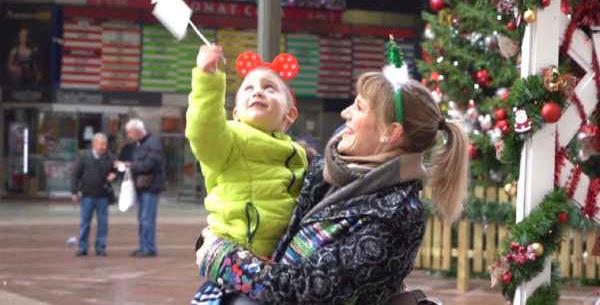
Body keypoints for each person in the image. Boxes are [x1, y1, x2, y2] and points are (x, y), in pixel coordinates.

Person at [193, 63, 469, 304]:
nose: (345, 113)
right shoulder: (325, 173)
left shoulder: (397, 214)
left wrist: (222, 258)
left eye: (358, 107)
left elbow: (307, 290)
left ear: (390, 132)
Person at [185, 44, 308, 258]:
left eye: (270, 88)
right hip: (235, 255)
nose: (258, 91)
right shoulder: (229, 140)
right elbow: (203, 128)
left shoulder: (297, 153)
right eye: (248, 88)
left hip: (281, 257)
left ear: (290, 114)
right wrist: (208, 81)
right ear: (236, 114)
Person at [115, 118, 166, 257]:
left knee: (146, 218)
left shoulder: (153, 143)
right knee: (142, 218)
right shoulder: (140, 144)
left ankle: (149, 248)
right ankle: (143, 246)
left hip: (150, 186)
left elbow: (150, 164)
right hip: (142, 186)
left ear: (137, 131)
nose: (129, 136)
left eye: (130, 132)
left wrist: (131, 166)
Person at [70, 133, 117, 256]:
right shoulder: (84, 157)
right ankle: (82, 247)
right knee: (85, 222)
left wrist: (115, 175)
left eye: (105, 144)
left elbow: (117, 171)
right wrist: (74, 191)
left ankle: (101, 247)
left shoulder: (111, 158)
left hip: (103, 196)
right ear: (94, 144)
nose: (104, 147)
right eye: (101, 144)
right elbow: (75, 174)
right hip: (87, 195)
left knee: (103, 223)